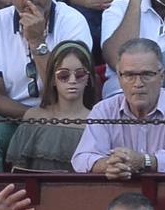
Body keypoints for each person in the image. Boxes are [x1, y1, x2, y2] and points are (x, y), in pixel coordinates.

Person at [0, 0, 93, 171]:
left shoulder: (73, 21)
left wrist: (37, 41)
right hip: (14, 118)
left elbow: (72, 89)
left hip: (64, 119)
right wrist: (33, 115)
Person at [71, 37, 165, 175]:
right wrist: (110, 165)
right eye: (129, 75)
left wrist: (145, 161)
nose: (138, 83)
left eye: (147, 74)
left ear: (162, 77)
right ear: (119, 79)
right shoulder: (104, 110)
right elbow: (81, 159)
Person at [6, 39, 99, 170]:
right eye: (63, 75)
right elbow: (18, 170)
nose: (72, 81)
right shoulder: (34, 117)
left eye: (80, 74)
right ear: (53, 79)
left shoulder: (98, 121)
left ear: (88, 78)